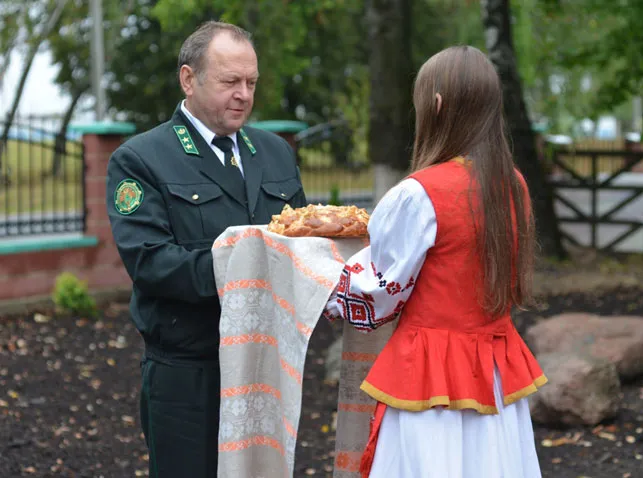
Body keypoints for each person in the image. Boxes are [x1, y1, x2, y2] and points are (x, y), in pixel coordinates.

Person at [325, 45, 546, 478]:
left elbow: (379, 292)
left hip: (429, 379)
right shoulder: (514, 185)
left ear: (438, 105)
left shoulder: (419, 193)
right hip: (495, 375)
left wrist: (317, 279)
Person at [106, 21, 306, 478]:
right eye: (229, 81)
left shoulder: (274, 153)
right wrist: (247, 266)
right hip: (189, 372)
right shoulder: (142, 158)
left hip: (265, 366)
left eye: (251, 82)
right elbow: (151, 263)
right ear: (189, 79)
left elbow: (301, 241)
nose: (243, 94)